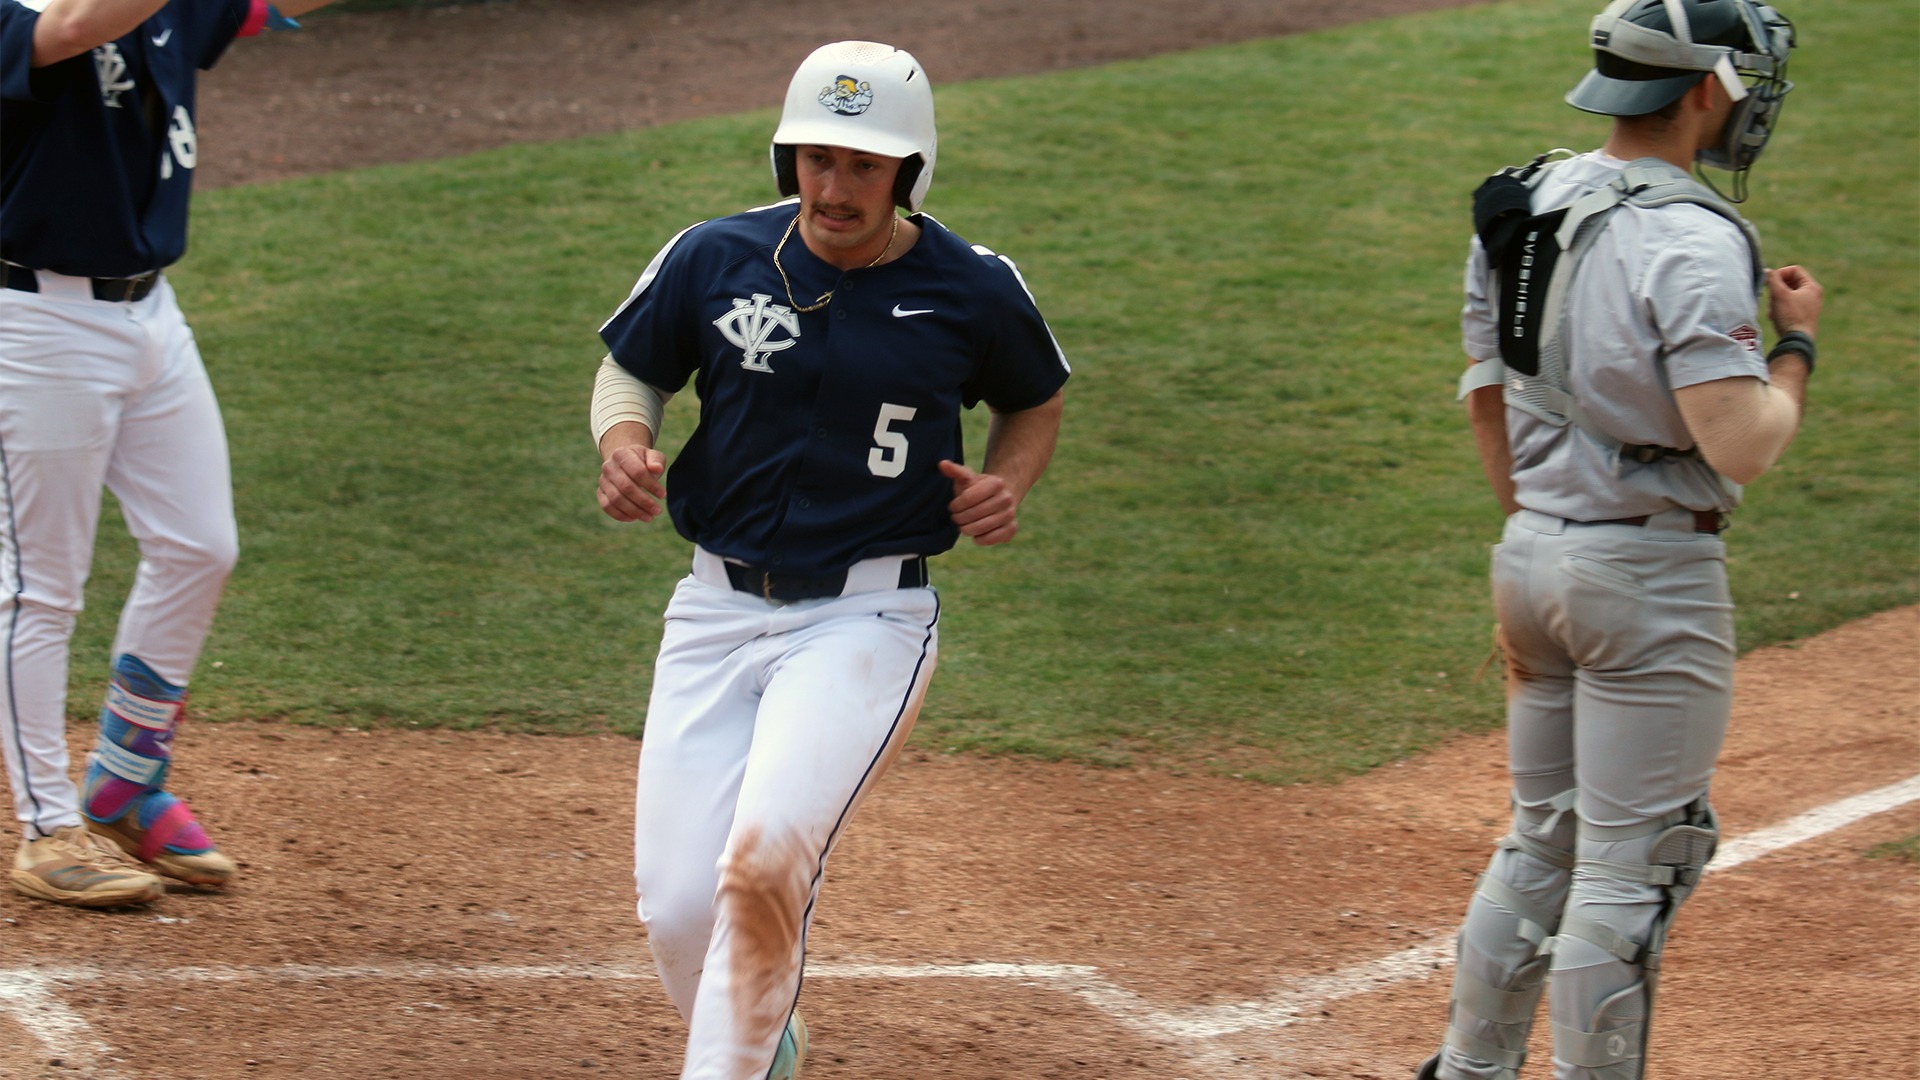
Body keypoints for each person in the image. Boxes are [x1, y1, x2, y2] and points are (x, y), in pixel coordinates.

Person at [590, 40, 1068, 1080]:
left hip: (865, 622)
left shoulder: (971, 289)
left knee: (764, 863)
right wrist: (625, 448)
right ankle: (769, 1048)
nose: (834, 186)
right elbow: (630, 370)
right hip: (714, 608)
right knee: (675, 905)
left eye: (861, 165)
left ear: (908, 172)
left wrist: (1010, 482)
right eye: (816, 159)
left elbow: (1033, 396)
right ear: (786, 158)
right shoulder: (713, 256)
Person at [1417, 2, 1821, 1078]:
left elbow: (1484, 392)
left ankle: (1468, 1071)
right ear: (1703, 90)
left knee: (1540, 839)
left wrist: (1542, 521)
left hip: (1534, 565)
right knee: (1632, 869)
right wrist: (1797, 348)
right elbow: (1740, 443)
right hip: (1648, 578)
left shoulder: (1526, 200)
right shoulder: (1690, 236)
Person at [1, 0, 334, 909]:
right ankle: (45, 828)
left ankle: (122, 776)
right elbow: (70, 29)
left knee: (199, 546)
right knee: (42, 585)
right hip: (35, 320)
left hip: (152, 316)